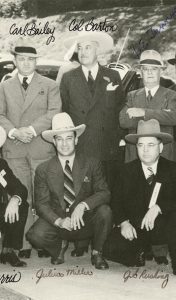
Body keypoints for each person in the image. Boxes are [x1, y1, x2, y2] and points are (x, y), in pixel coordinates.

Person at [104, 119, 176, 276]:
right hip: (137, 227)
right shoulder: (125, 171)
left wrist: (159, 207)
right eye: (141, 145)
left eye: (151, 145)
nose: (145, 150)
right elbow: (115, 201)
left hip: (164, 227)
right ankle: (142, 251)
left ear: (161, 147)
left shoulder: (173, 169)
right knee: (110, 248)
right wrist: (123, 223)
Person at [0, 38, 61, 259]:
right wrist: (15, 132)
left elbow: (55, 112)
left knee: (43, 196)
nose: (26, 63)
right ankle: (23, 243)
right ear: (15, 61)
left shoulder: (50, 85)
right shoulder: (4, 86)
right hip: (14, 147)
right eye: (21, 59)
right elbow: (0, 114)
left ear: (36, 61)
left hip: (40, 147)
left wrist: (32, 130)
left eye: (30, 59)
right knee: (20, 195)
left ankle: (42, 241)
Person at [26, 113, 112, 269]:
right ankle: (59, 247)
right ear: (54, 142)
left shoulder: (92, 163)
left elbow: (104, 192)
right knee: (34, 235)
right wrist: (59, 221)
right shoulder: (43, 169)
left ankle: (97, 252)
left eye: (69, 138)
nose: (64, 144)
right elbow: (41, 204)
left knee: (105, 212)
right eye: (59, 139)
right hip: (60, 223)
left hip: (84, 220)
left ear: (76, 139)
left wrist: (83, 205)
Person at [60, 32, 125, 190]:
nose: (83, 52)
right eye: (80, 48)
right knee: (83, 195)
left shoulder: (113, 75)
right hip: (81, 147)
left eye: (88, 47)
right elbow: (64, 111)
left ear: (98, 51)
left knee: (107, 195)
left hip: (106, 148)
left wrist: (118, 139)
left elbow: (121, 108)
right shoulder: (68, 78)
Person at [119, 50, 176, 163]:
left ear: (161, 71)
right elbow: (124, 121)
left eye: (154, 69)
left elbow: (173, 118)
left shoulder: (171, 95)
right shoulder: (132, 95)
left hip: (164, 155)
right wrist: (160, 115)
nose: (150, 73)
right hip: (135, 156)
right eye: (146, 69)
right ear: (140, 72)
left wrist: (142, 112)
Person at [0, 126, 28, 267]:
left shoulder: (1, 165)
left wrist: (15, 199)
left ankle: (9, 250)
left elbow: (20, 188)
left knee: (21, 204)